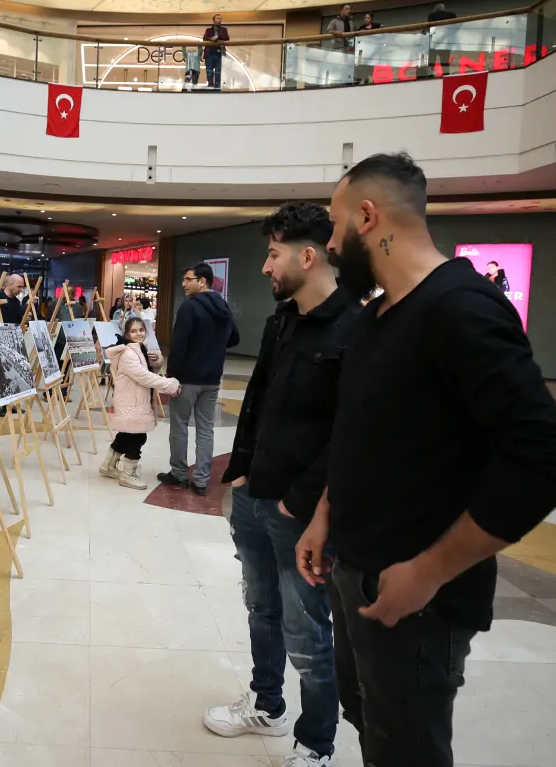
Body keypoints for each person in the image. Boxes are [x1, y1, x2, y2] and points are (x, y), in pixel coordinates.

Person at [299, 152, 556, 765]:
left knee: (408, 746)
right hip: (354, 570)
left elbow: (549, 457)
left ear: (367, 217)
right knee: (372, 725)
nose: (329, 242)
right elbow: (361, 433)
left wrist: (429, 570)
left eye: (334, 224)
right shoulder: (376, 318)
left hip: (418, 602)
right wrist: (326, 515)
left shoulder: (462, 308)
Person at [203, 204, 359, 766]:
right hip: (255, 495)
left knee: (309, 633)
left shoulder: (355, 330)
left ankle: (316, 743)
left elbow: (351, 432)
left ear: (308, 255)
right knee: (260, 610)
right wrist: (238, 472)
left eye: (273, 254)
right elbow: (258, 406)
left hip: (304, 513)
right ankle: (267, 705)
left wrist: (301, 502)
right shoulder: (281, 321)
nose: (266, 267)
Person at [158, 263, 239, 496]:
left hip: (187, 380)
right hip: (212, 379)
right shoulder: (223, 307)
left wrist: (171, 376)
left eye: (188, 279)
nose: (184, 284)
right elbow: (235, 337)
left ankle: (180, 474)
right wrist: (213, 346)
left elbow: (179, 346)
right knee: (206, 429)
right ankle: (201, 480)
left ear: (202, 281)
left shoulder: (189, 308)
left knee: (179, 427)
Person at [99, 317, 181, 490]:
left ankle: (108, 466)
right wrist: (170, 384)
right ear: (127, 334)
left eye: (141, 330)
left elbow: (145, 371)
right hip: (133, 402)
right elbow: (143, 377)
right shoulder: (129, 353)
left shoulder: (139, 349)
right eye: (134, 331)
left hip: (135, 400)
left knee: (126, 434)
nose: (138, 334)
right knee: (137, 437)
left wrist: (155, 362)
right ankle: (128, 474)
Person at [202, 13, 229, 90]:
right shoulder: (208, 30)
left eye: (220, 19)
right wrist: (212, 38)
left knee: (218, 71)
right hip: (210, 53)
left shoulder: (224, 30)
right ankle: (210, 86)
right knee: (209, 71)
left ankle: (217, 87)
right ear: (213, 20)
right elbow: (205, 38)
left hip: (219, 53)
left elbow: (226, 37)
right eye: (218, 18)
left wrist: (217, 36)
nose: (219, 20)